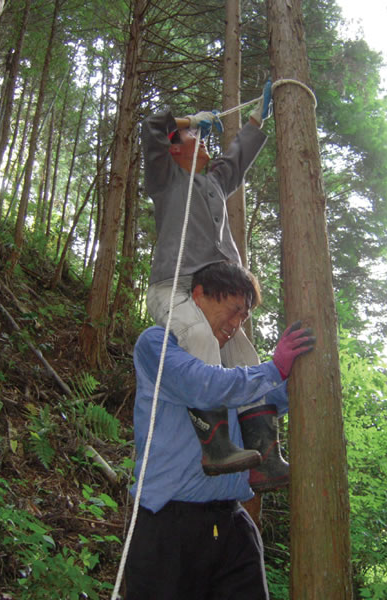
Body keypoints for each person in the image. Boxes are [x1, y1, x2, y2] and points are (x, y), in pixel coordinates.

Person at [124, 261, 315, 600]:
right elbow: (201, 386)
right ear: (199, 296)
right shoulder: (157, 344)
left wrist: (302, 375)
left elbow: (263, 397)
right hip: (168, 525)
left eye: (244, 318)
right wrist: (272, 369)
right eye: (234, 310)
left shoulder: (229, 365)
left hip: (231, 523)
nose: (236, 324)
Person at [141, 82, 287, 490]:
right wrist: (186, 120)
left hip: (218, 293)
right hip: (175, 287)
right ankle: (216, 447)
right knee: (197, 335)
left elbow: (236, 159)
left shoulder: (212, 183)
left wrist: (259, 118)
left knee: (244, 354)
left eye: (202, 133)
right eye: (193, 137)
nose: (203, 138)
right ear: (174, 148)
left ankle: (264, 455)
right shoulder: (165, 178)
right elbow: (151, 126)